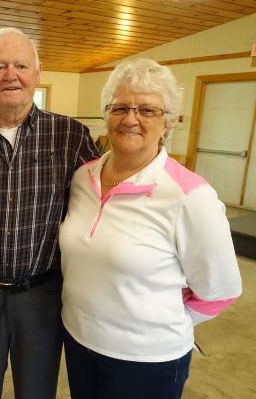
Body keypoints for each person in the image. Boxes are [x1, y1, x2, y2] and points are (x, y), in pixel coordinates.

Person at [59, 58, 243, 399]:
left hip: (145, 360)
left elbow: (222, 289)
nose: (131, 119)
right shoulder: (83, 178)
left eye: (147, 110)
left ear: (167, 123)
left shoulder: (190, 196)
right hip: (79, 340)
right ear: (107, 114)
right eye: (120, 107)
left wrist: (157, 319)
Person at [0, 27, 100, 398]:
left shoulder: (70, 136)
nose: (11, 75)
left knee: (37, 390)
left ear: (38, 74)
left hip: (42, 294)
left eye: (21, 65)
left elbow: (102, 208)